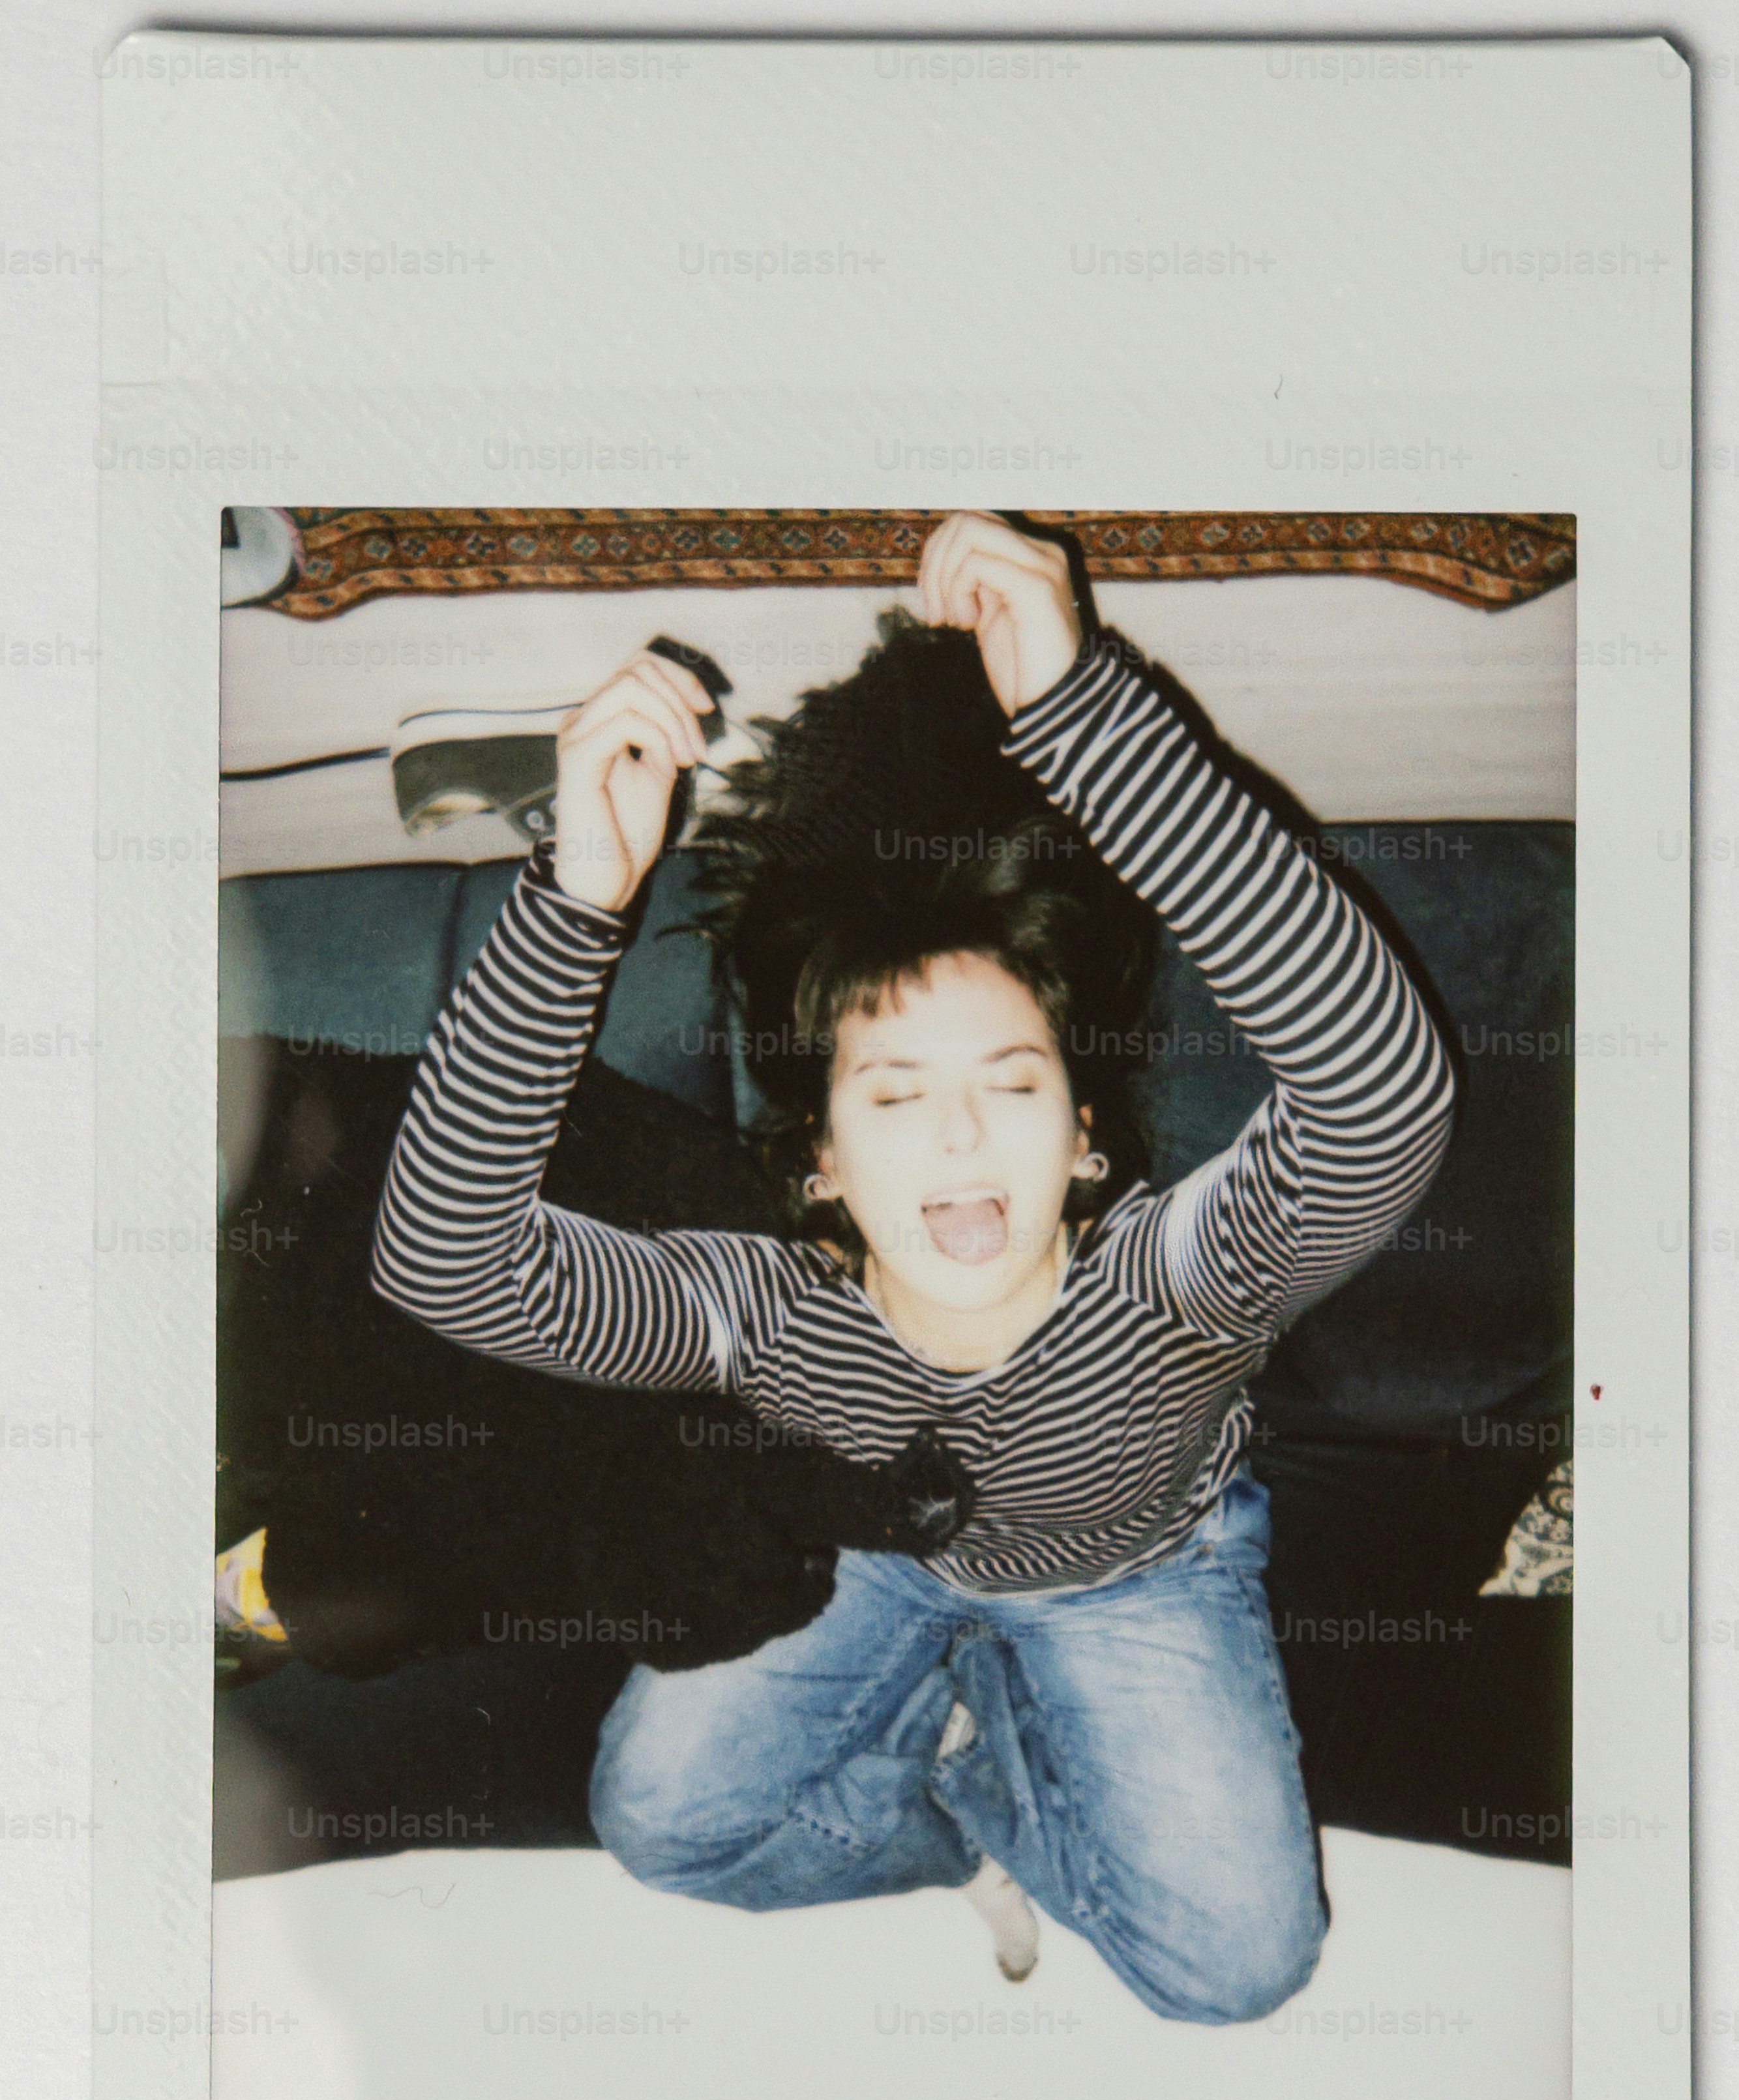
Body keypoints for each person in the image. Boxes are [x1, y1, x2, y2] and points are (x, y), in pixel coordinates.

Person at [372, 512, 1455, 2020]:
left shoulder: (1171, 1279)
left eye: (1012, 1082)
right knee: (662, 1824)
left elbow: (1378, 1091)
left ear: (1083, 1133)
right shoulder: (763, 1306)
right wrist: (574, 901)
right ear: (819, 1156)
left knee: (1239, 1972)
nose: (957, 1134)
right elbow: (449, 1259)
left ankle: (1013, 1763)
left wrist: (1085, 719)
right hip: (861, 1558)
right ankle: (952, 1822)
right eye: (890, 1094)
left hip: (1129, 1576)